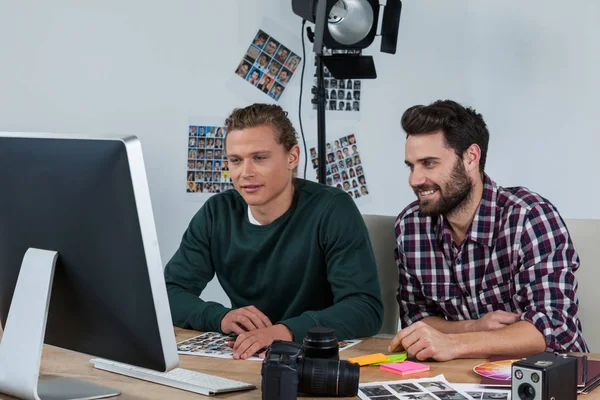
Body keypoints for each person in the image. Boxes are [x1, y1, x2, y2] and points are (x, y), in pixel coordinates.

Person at [164, 103, 383, 360]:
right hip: (246, 357)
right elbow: (168, 293)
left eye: (259, 158)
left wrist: (286, 331)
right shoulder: (217, 212)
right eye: (236, 160)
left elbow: (365, 308)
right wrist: (221, 317)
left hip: (316, 358)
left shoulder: (333, 208)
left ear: (292, 157)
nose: (245, 173)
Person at [390, 99, 588, 361]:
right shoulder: (411, 226)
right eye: (411, 165)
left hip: (546, 379)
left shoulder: (528, 217)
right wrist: (472, 327)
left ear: (471, 157)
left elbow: (554, 328)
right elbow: (417, 321)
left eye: (428, 163)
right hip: (454, 380)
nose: (414, 180)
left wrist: (455, 343)